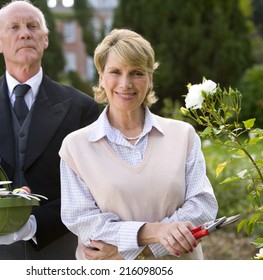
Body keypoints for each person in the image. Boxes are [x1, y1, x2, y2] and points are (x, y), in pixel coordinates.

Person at [0, 0, 99, 260]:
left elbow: (93, 187)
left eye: (33, 26)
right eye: (13, 27)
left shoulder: (82, 107)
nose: (25, 33)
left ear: (46, 39)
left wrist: (36, 225)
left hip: (58, 247)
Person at [59, 29, 218, 260]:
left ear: (150, 78)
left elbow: (203, 207)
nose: (126, 84)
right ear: (101, 76)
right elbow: (84, 222)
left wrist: (136, 250)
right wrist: (155, 232)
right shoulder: (76, 147)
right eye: (115, 72)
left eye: (136, 73)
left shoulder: (183, 136)